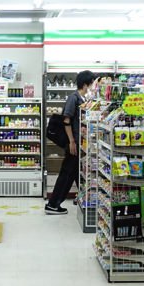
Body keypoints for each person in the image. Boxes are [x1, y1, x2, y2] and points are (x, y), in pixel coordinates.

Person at [45, 70, 95, 214]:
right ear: (85, 84)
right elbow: (66, 120)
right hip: (73, 143)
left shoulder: (83, 98)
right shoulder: (74, 98)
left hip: (79, 143)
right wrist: (72, 142)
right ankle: (53, 204)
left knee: (75, 172)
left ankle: (84, 199)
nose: (92, 87)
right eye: (91, 84)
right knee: (67, 173)